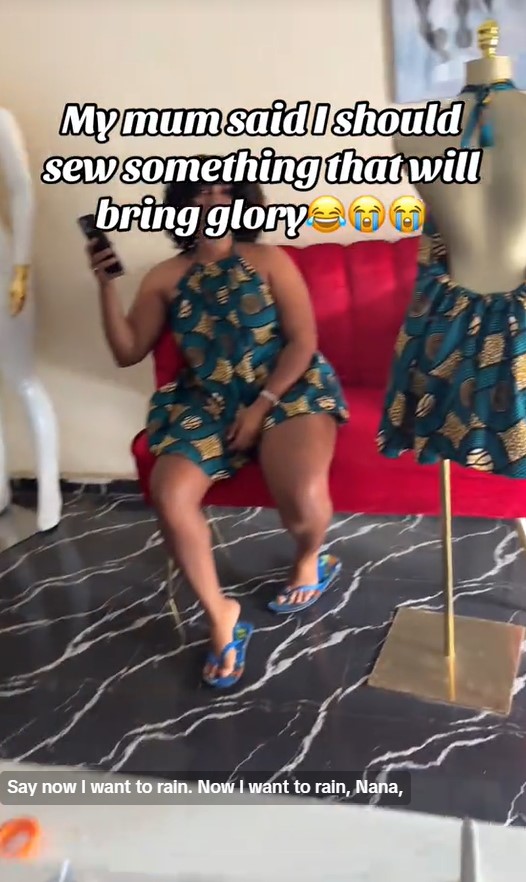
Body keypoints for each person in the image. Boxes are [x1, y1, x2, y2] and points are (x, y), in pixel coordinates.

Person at [88, 166, 349, 689]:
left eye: (225, 190)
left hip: (285, 387)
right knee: (170, 494)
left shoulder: (270, 260)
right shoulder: (164, 276)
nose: (213, 199)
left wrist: (261, 407)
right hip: (206, 401)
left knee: (303, 494)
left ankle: (309, 560)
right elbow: (127, 350)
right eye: (200, 192)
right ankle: (220, 615)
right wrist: (106, 285)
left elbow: (302, 341)